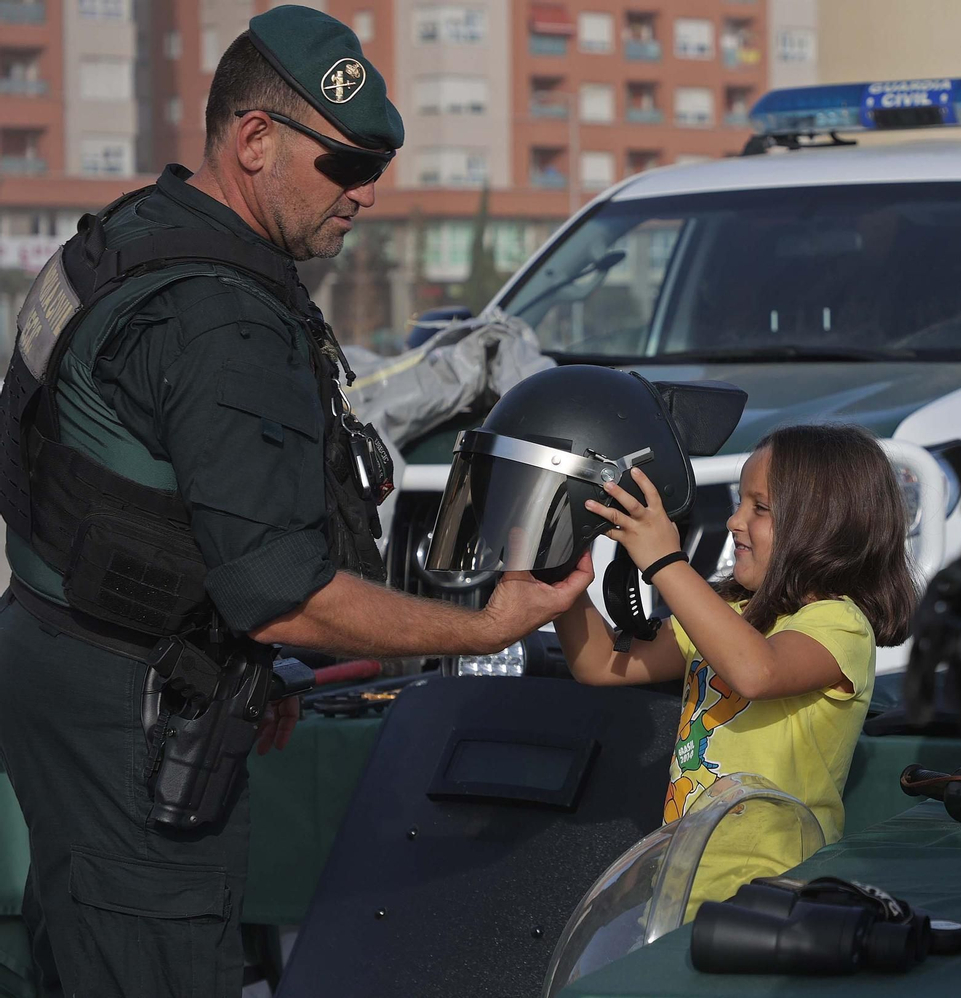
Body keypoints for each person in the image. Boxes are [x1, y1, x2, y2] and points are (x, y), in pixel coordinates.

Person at [0, 8, 589, 996]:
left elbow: (108, 484)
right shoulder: (219, 318)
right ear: (255, 140)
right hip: (130, 717)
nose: (364, 193)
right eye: (344, 166)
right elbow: (285, 592)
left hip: (64, 652)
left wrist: (240, 658)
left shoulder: (129, 237)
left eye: (375, 170)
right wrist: (481, 619)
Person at [555, 423, 917, 913]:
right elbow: (600, 663)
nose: (733, 521)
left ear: (824, 526)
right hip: (683, 882)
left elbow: (757, 672)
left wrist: (665, 560)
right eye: (739, 503)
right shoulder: (728, 614)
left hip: (775, 893)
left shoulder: (840, 624)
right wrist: (556, 572)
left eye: (759, 508)